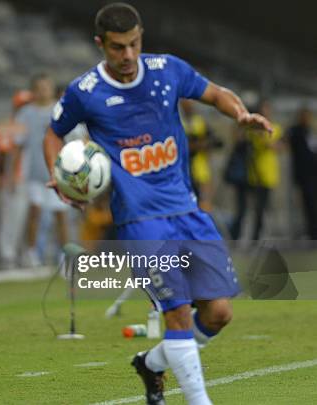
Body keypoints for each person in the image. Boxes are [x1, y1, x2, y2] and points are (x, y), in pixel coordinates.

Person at [43, 4, 272, 404]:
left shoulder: (167, 70)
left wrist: (240, 113)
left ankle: (150, 363)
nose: (127, 55)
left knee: (218, 313)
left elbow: (215, 94)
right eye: (117, 47)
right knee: (178, 313)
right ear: (101, 45)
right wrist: (57, 174)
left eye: (133, 44)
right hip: (141, 221)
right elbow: (53, 133)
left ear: (141, 37)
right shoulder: (85, 92)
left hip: (187, 212)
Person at [15, 74, 69, 266]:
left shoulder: (61, 109)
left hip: (59, 173)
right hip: (35, 173)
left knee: (60, 215)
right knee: (34, 211)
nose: (42, 91)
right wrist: (14, 172)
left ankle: (64, 255)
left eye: (46, 87)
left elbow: (75, 139)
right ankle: (31, 254)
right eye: (38, 88)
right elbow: (18, 144)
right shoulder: (26, 113)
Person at [229, 101, 282, 240]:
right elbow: (237, 140)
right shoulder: (251, 130)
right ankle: (237, 237)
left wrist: (264, 139)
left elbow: (278, 146)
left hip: (267, 175)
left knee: (261, 209)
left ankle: (255, 239)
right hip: (251, 175)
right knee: (243, 209)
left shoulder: (275, 128)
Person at [287, 107, 317, 239]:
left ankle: (313, 232)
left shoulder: (310, 131)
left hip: (313, 174)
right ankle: (311, 232)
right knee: (308, 204)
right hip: (304, 176)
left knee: (312, 204)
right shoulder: (295, 131)